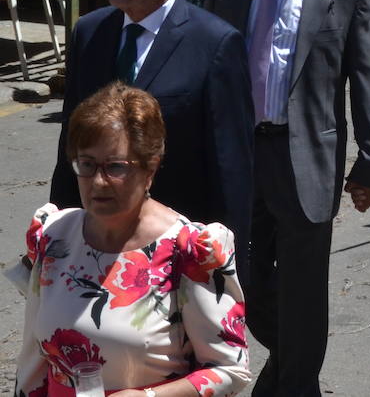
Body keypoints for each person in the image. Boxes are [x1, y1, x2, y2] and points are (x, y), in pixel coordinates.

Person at [204, 0, 370, 396]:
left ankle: (294, 385)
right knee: (242, 274)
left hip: (308, 154)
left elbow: (368, 78)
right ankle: (289, 365)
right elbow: (208, 61)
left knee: (305, 288)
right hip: (239, 153)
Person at [17, 84, 250, 396]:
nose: (98, 182)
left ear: (150, 168)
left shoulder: (190, 250)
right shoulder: (54, 236)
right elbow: (33, 359)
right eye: (86, 164)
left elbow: (230, 369)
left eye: (115, 167)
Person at [50, 0, 254, 251]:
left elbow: (231, 168)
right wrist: (58, 232)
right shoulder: (90, 33)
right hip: (97, 239)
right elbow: (70, 143)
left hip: (175, 245)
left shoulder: (214, 45)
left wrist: (225, 265)